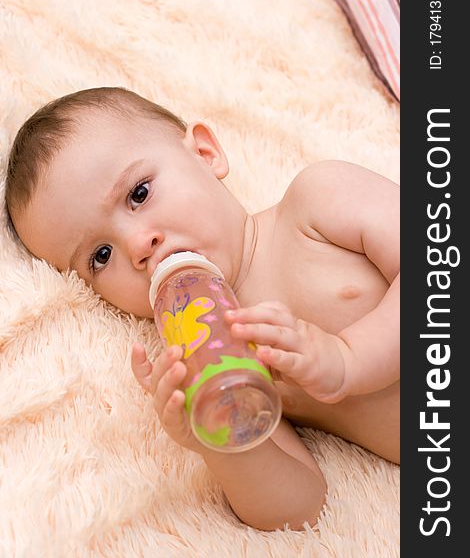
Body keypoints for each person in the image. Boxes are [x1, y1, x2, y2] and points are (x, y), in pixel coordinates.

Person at [4, 86, 400, 531]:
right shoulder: (213, 358)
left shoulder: (316, 203)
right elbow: (302, 507)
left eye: (138, 193)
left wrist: (350, 359)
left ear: (206, 153)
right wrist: (222, 445)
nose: (138, 245)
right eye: (100, 255)